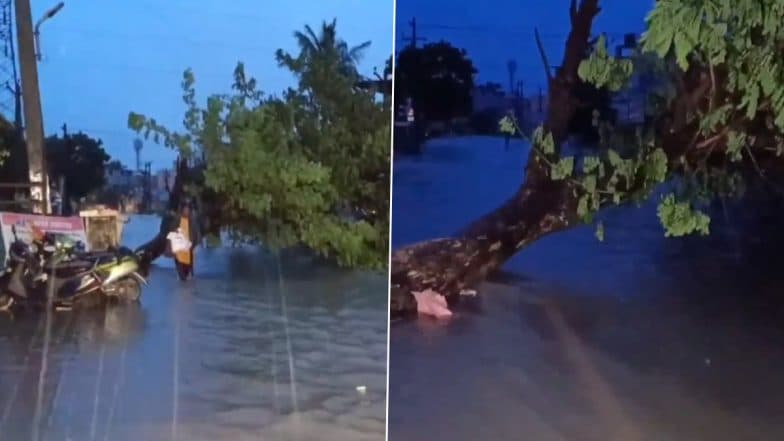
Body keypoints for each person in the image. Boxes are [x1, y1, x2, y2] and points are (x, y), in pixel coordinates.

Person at [170, 199, 201, 281]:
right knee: (181, 274)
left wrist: (196, 245)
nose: (186, 211)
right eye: (185, 209)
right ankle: (182, 284)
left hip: (189, 249)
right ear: (182, 210)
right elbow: (172, 231)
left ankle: (187, 287)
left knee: (188, 271)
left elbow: (196, 233)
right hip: (179, 250)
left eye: (188, 209)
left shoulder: (192, 220)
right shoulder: (177, 219)